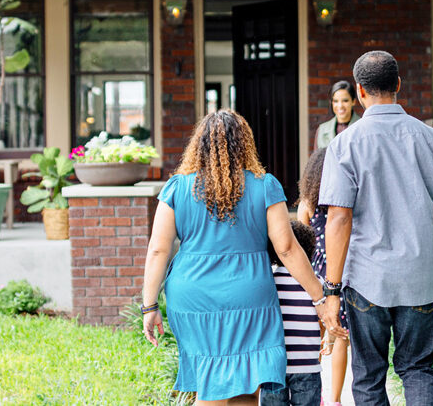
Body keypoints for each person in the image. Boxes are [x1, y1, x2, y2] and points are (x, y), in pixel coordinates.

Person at [141, 110, 343, 406]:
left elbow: (158, 249)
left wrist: (149, 305)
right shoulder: (265, 185)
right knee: (247, 386)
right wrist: (319, 298)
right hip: (249, 297)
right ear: (244, 143)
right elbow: (286, 247)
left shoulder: (177, 188)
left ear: (199, 145)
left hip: (193, 297)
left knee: (211, 384)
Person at [319, 51, 433, 405]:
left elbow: (338, 218)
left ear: (359, 92)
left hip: (367, 281)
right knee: (419, 371)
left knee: (368, 378)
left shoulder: (344, 145)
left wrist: (332, 291)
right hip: (420, 278)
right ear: (398, 85)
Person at [296, 148, 349, 406]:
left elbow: (301, 242)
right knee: (340, 335)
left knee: (314, 335)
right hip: (341, 272)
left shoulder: (307, 203)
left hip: (316, 275)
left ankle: (313, 394)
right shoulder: (344, 199)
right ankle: (335, 399)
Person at [261, 221, 324, 406]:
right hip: (308, 366)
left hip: (274, 366)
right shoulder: (316, 284)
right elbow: (322, 321)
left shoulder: (268, 284)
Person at [314, 80, 361, 150]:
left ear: (353, 101)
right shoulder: (322, 130)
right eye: (335, 101)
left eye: (345, 100)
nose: (340, 106)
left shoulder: (362, 127)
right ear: (332, 103)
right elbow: (317, 159)